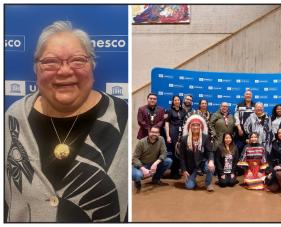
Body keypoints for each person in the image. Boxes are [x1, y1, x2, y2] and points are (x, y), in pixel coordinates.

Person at [5, 21, 128, 222]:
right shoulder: (13, 119)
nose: (64, 71)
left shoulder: (123, 117)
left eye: (77, 60)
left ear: (92, 66)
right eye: (51, 62)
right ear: (36, 69)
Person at [179, 114, 215, 192]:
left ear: (200, 126)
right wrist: (184, 170)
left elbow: (210, 151)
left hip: (202, 163)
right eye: (193, 125)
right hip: (191, 167)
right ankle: (193, 179)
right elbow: (182, 157)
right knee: (189, 186)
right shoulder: (184, 139)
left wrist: (211, 161)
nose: (195, 127)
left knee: (211, 167)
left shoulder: (205, 137)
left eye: (197, 125)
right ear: (190, 127)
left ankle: (208, 183)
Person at [132, 126, 173, 191]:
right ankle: (137, 182)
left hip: (152, 163)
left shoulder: (161, 139)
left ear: (159, 134)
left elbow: (164, 153)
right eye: (152, 132)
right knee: (137, 175)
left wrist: (156, 163)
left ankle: (156, 179)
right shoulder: (141, 142)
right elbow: (135, 158)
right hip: (141, 165)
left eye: (156, 132)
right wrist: (143, 169)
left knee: (168, 161)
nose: (154, 134)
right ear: (149, 132)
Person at [164, 95, 186, 179]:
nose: (177, 101)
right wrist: (168, 136)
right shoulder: (169, 111)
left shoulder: (183, 111)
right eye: (175, 100)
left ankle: (179, 170)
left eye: (178, 100)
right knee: (174, 153)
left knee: (180, 153)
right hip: (173, 132)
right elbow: (166, 123)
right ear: (173, 101)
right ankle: (173, 172)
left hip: (182, 133)